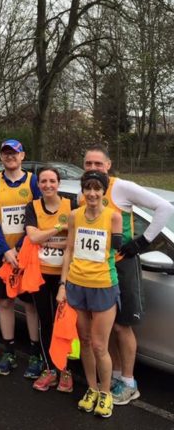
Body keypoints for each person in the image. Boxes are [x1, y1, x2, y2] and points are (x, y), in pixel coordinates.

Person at [82, 144, 174, 405]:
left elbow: (164, 208)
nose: (93, 168)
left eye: (98, 164)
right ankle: (116, 376)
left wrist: (141, 243)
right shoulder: (86, 191)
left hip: (121, 265)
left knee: (123, 325)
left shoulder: (120, 187)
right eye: (88, 164)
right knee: (106, 326)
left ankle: (130, 382)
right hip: (96, 268)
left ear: (108, 166)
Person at [57, 170, 122, 418]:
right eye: (88, 188)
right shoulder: (74, 215)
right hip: (76, 284)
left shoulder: (113, 217)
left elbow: (117, 252)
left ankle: (106, 393)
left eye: (97, 189)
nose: (92, 193)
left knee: (99, 345)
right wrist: (62, 284)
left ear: (104, 191)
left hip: (103, 285)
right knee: (83, 341)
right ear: (82, 191)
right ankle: (92, 389)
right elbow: (70, 249)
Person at [0, 139, 43, 377]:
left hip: (27, 255)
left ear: (22, 156)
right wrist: (5, 250)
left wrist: (20, 247)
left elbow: (39, 215)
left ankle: (35, 354)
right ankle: (8, 351)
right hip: (2, 255)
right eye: (5, 153)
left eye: (14, 153)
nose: (10, 157)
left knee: (30, 305)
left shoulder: (32, 181)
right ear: (1, 157)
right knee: (5, 303)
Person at [24, 167, 74, 392]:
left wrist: (49, 240)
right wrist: (59, 229)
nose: (47, 185)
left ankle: (66, 370)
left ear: (59, 183)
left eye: (52, 181)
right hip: (41, 274)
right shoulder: (33, 206)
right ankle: (50, 368)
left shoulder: (71, 206)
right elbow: (32, 237)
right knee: (45, 321)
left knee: (64, 323)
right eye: (43, 181)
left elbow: (75, 241)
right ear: (39, 184)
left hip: (66, 275)